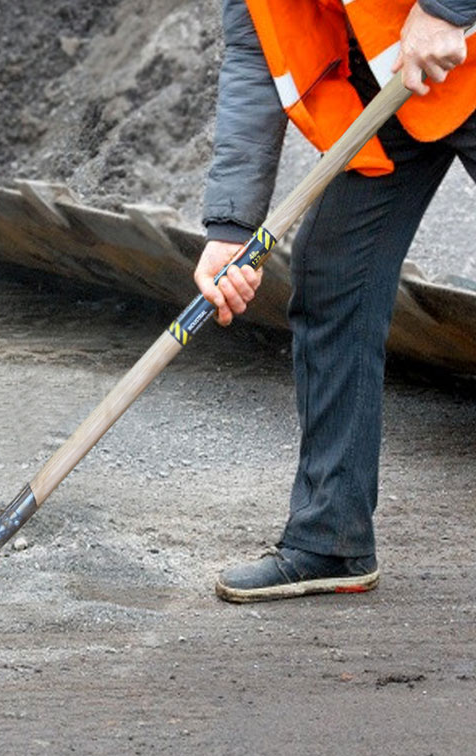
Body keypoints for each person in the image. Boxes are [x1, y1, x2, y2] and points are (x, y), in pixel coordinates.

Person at [195, 0, 476, 602]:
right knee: (335, 274)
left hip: (454, 34)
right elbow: (257, 52)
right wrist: (230, 227)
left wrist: (446, 7)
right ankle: (331, 537)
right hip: (400, 79)